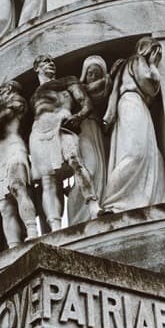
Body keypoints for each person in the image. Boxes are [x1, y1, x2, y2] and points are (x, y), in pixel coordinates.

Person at [29, 55, 101, 230]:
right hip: (39, 133)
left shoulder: (68, 81)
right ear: (37, 68)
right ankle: (55, 226)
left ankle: (94, 207)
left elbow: (86, 103)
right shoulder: (33, 98)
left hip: (62, 126)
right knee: (48, 180)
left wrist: (79, 116)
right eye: (45, 62)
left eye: (52, 62)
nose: (51, 64)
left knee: (76, 162)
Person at [102, 37, 165, 213]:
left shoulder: (130, 64)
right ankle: (114, 201)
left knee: (154, 156)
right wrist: (153, 65)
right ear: (146, 50)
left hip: (137, 105)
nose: (157, 56)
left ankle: (152, 201)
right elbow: (149, 84)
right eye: (155, 51)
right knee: (135, 153)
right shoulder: (136, 60)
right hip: (132, 103)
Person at [0, 81, 39, 246]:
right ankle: (13, 245)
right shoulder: (2, 113)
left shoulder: (17, 101)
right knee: (5, 205)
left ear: (10, 90)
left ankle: (32, 230)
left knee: (18, 188)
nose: (0, 96)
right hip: (1, 155)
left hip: (15, 148)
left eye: (2, 91)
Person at [67, 56, 111, 225]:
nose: (93, 76)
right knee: (89, 169)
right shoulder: (79, 88)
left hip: (97, 132)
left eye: (97, 73)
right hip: (83, 131)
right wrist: (109, 75)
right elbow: (91, 89)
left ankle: (98, 207)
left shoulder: (101, 90)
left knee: (101, 170)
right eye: (90, 73)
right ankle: (77, 217)